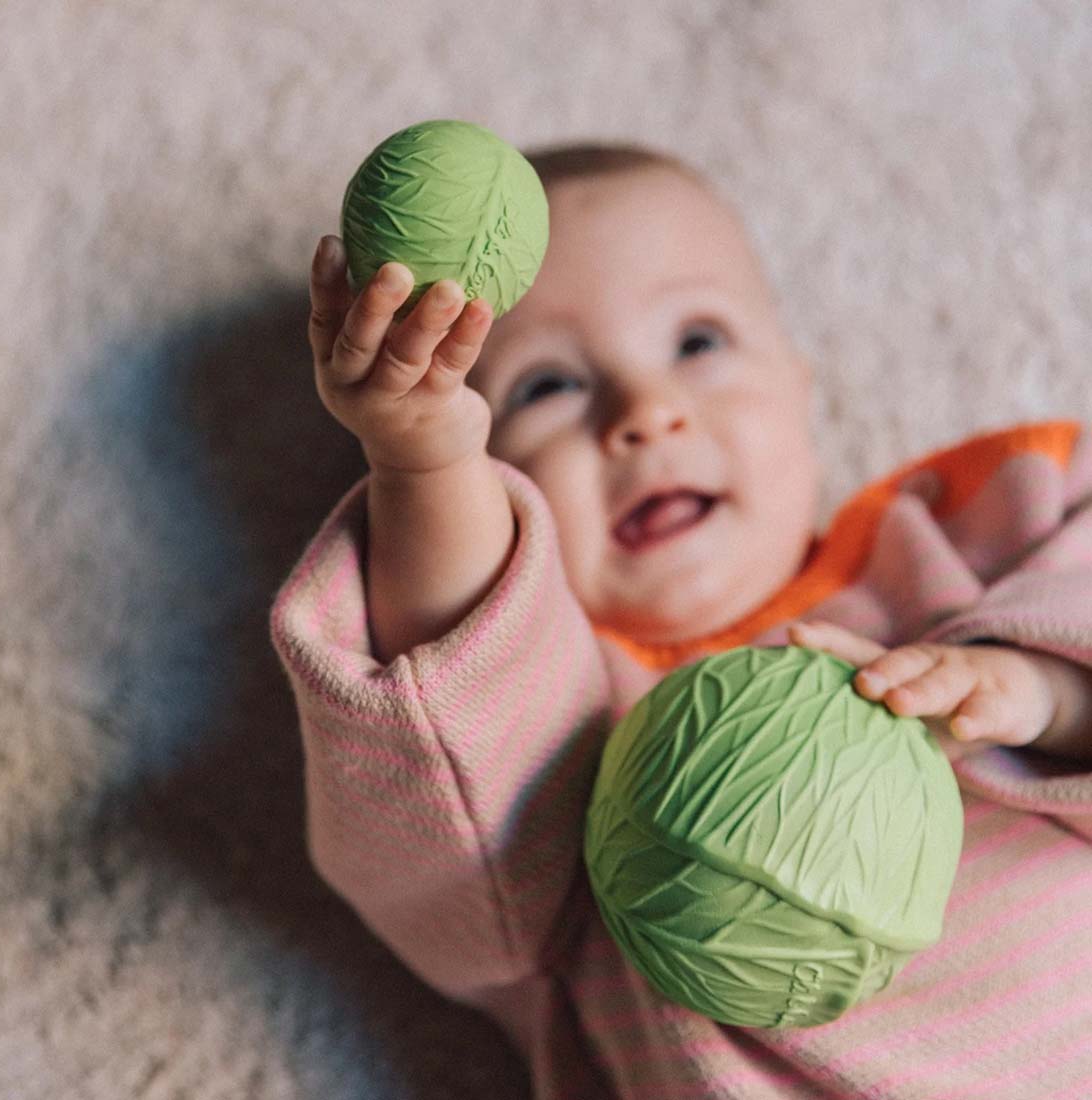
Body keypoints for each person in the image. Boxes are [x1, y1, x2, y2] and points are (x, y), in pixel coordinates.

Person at [271, 141, 1092, 1098]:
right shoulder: (559, 740)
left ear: (799, 386)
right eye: (547, 387)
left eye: (697, 342)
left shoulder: (963, 547)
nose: (645, 410)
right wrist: (423, 467)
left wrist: (1042, 688)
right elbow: (438, 760)